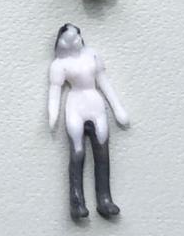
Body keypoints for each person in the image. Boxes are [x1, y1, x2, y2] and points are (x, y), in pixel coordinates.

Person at [48, 24, 129, 219]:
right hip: (75, 107)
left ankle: (104, 199)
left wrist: (118, 109)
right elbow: (55, 90)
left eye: (77, 36)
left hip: (95, 105)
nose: (76, 41)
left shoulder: (92, 55)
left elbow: (103, 82)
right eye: (70, 40)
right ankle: (76, 202)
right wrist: (52, 114)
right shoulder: (59, 64)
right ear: (62, 43)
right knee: (77, 153)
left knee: (102, 151)